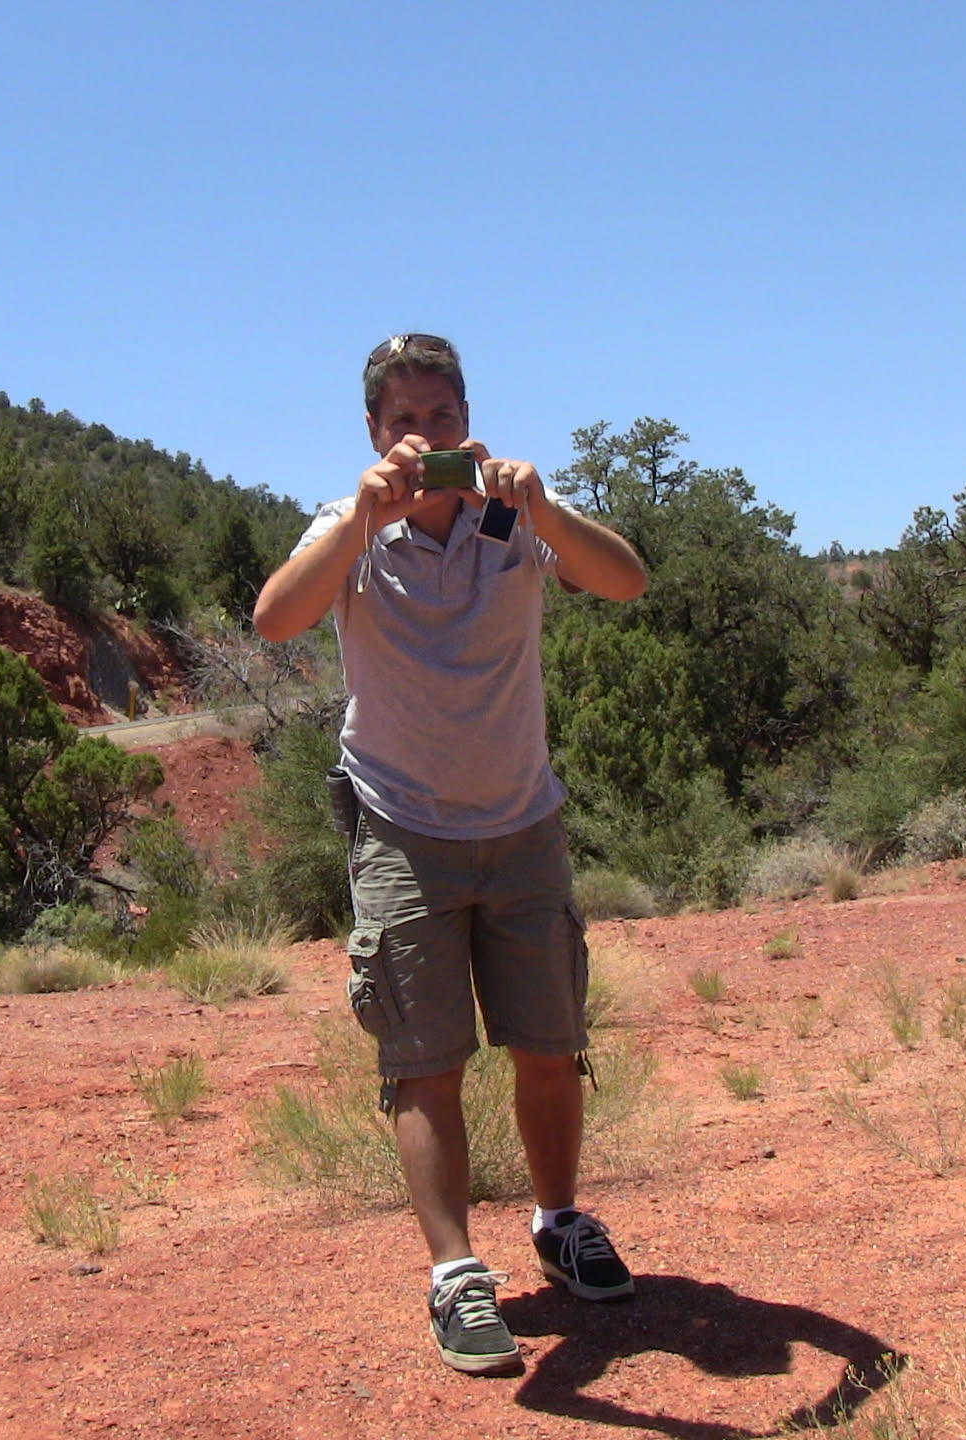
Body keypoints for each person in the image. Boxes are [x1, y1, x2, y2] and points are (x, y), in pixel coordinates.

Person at [253, 333, 649, 1375]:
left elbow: (625, 581)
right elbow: (275, 618)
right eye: (404, 421)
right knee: (423, 1060)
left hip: (522, 821)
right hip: (402, 828)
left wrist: (545, 506)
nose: (423, 436)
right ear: (373, 433)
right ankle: (456, 1274)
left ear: (466, 421)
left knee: (549, 1042)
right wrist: (360, 515)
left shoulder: (513, 520)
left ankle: (560, 1222)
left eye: (440, 416)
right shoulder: (350, 532)